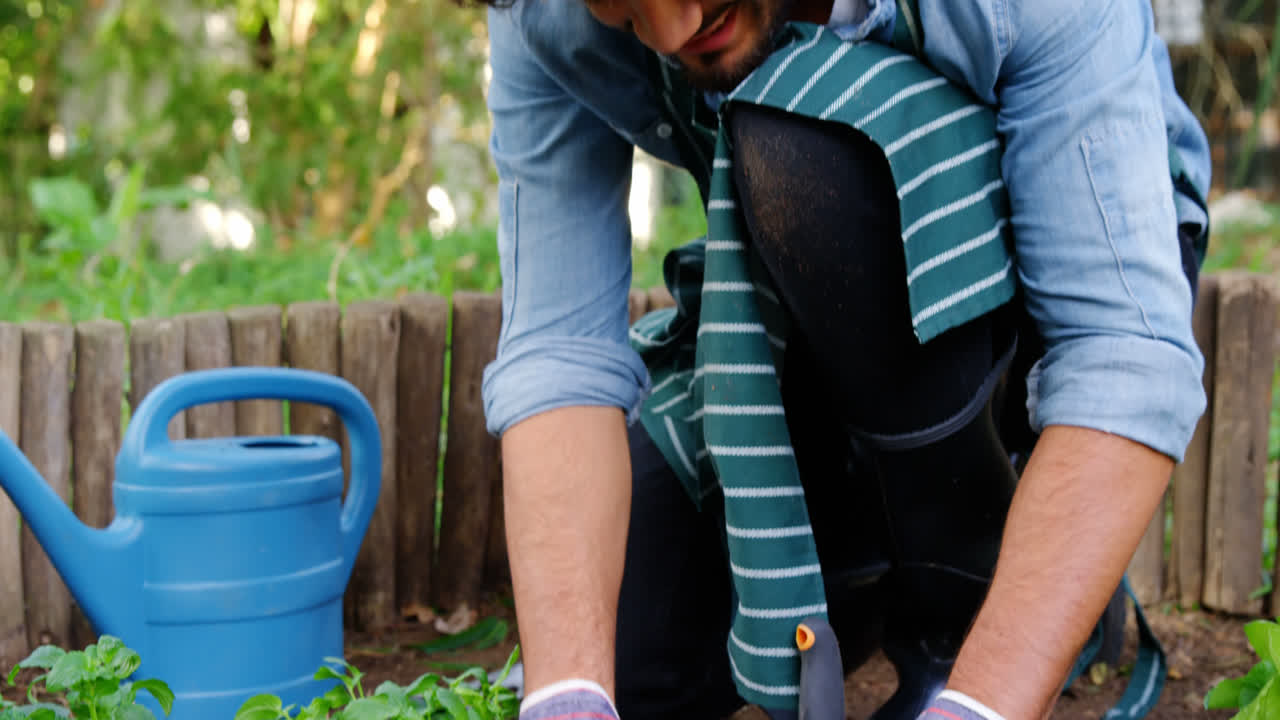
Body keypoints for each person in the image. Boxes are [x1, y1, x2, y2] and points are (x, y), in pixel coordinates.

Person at [468, 0, 1212, 719]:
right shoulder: (540, 11)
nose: (671, 29)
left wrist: (983, 706)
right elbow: (557, 349)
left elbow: (1119, 346)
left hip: (1038, 288)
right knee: (625, 655)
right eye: (617, 2)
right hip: (797, 289)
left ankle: (974, 610)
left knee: (803, 145)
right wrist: (569, 693)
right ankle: (858, 572)